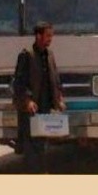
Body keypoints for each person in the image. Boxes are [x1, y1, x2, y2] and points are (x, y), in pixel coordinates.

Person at [12, 22, 65, 173]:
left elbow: (55, 79)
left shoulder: (49, 55)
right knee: (31, 146)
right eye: (47, 36)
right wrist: (27, 101)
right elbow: (19, 82)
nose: (50, 39)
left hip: (44, 108)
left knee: (42, 144)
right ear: (38, 36)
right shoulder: (26, 55)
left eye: (51, 36)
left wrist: (59, 99)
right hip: (30, 110)